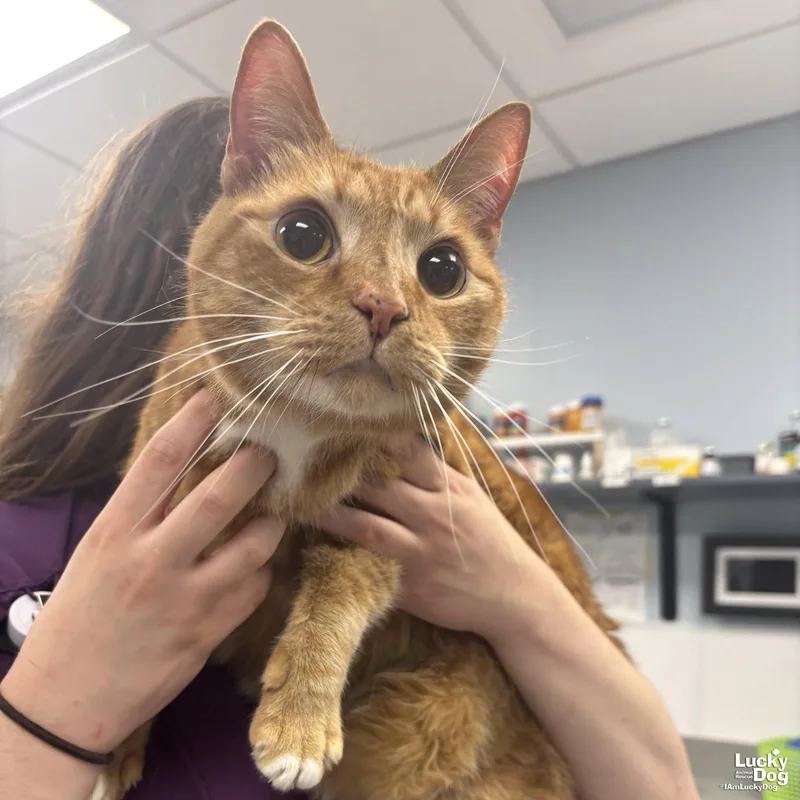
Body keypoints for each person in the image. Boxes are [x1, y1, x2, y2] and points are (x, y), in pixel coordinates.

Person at [0, 98, 700, 800]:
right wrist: (56, 706)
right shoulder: (32, 536)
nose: (386, 303)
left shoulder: (451, 478)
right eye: (305, 235)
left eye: (440, 269)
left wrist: (514, 597)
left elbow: (664, 784)